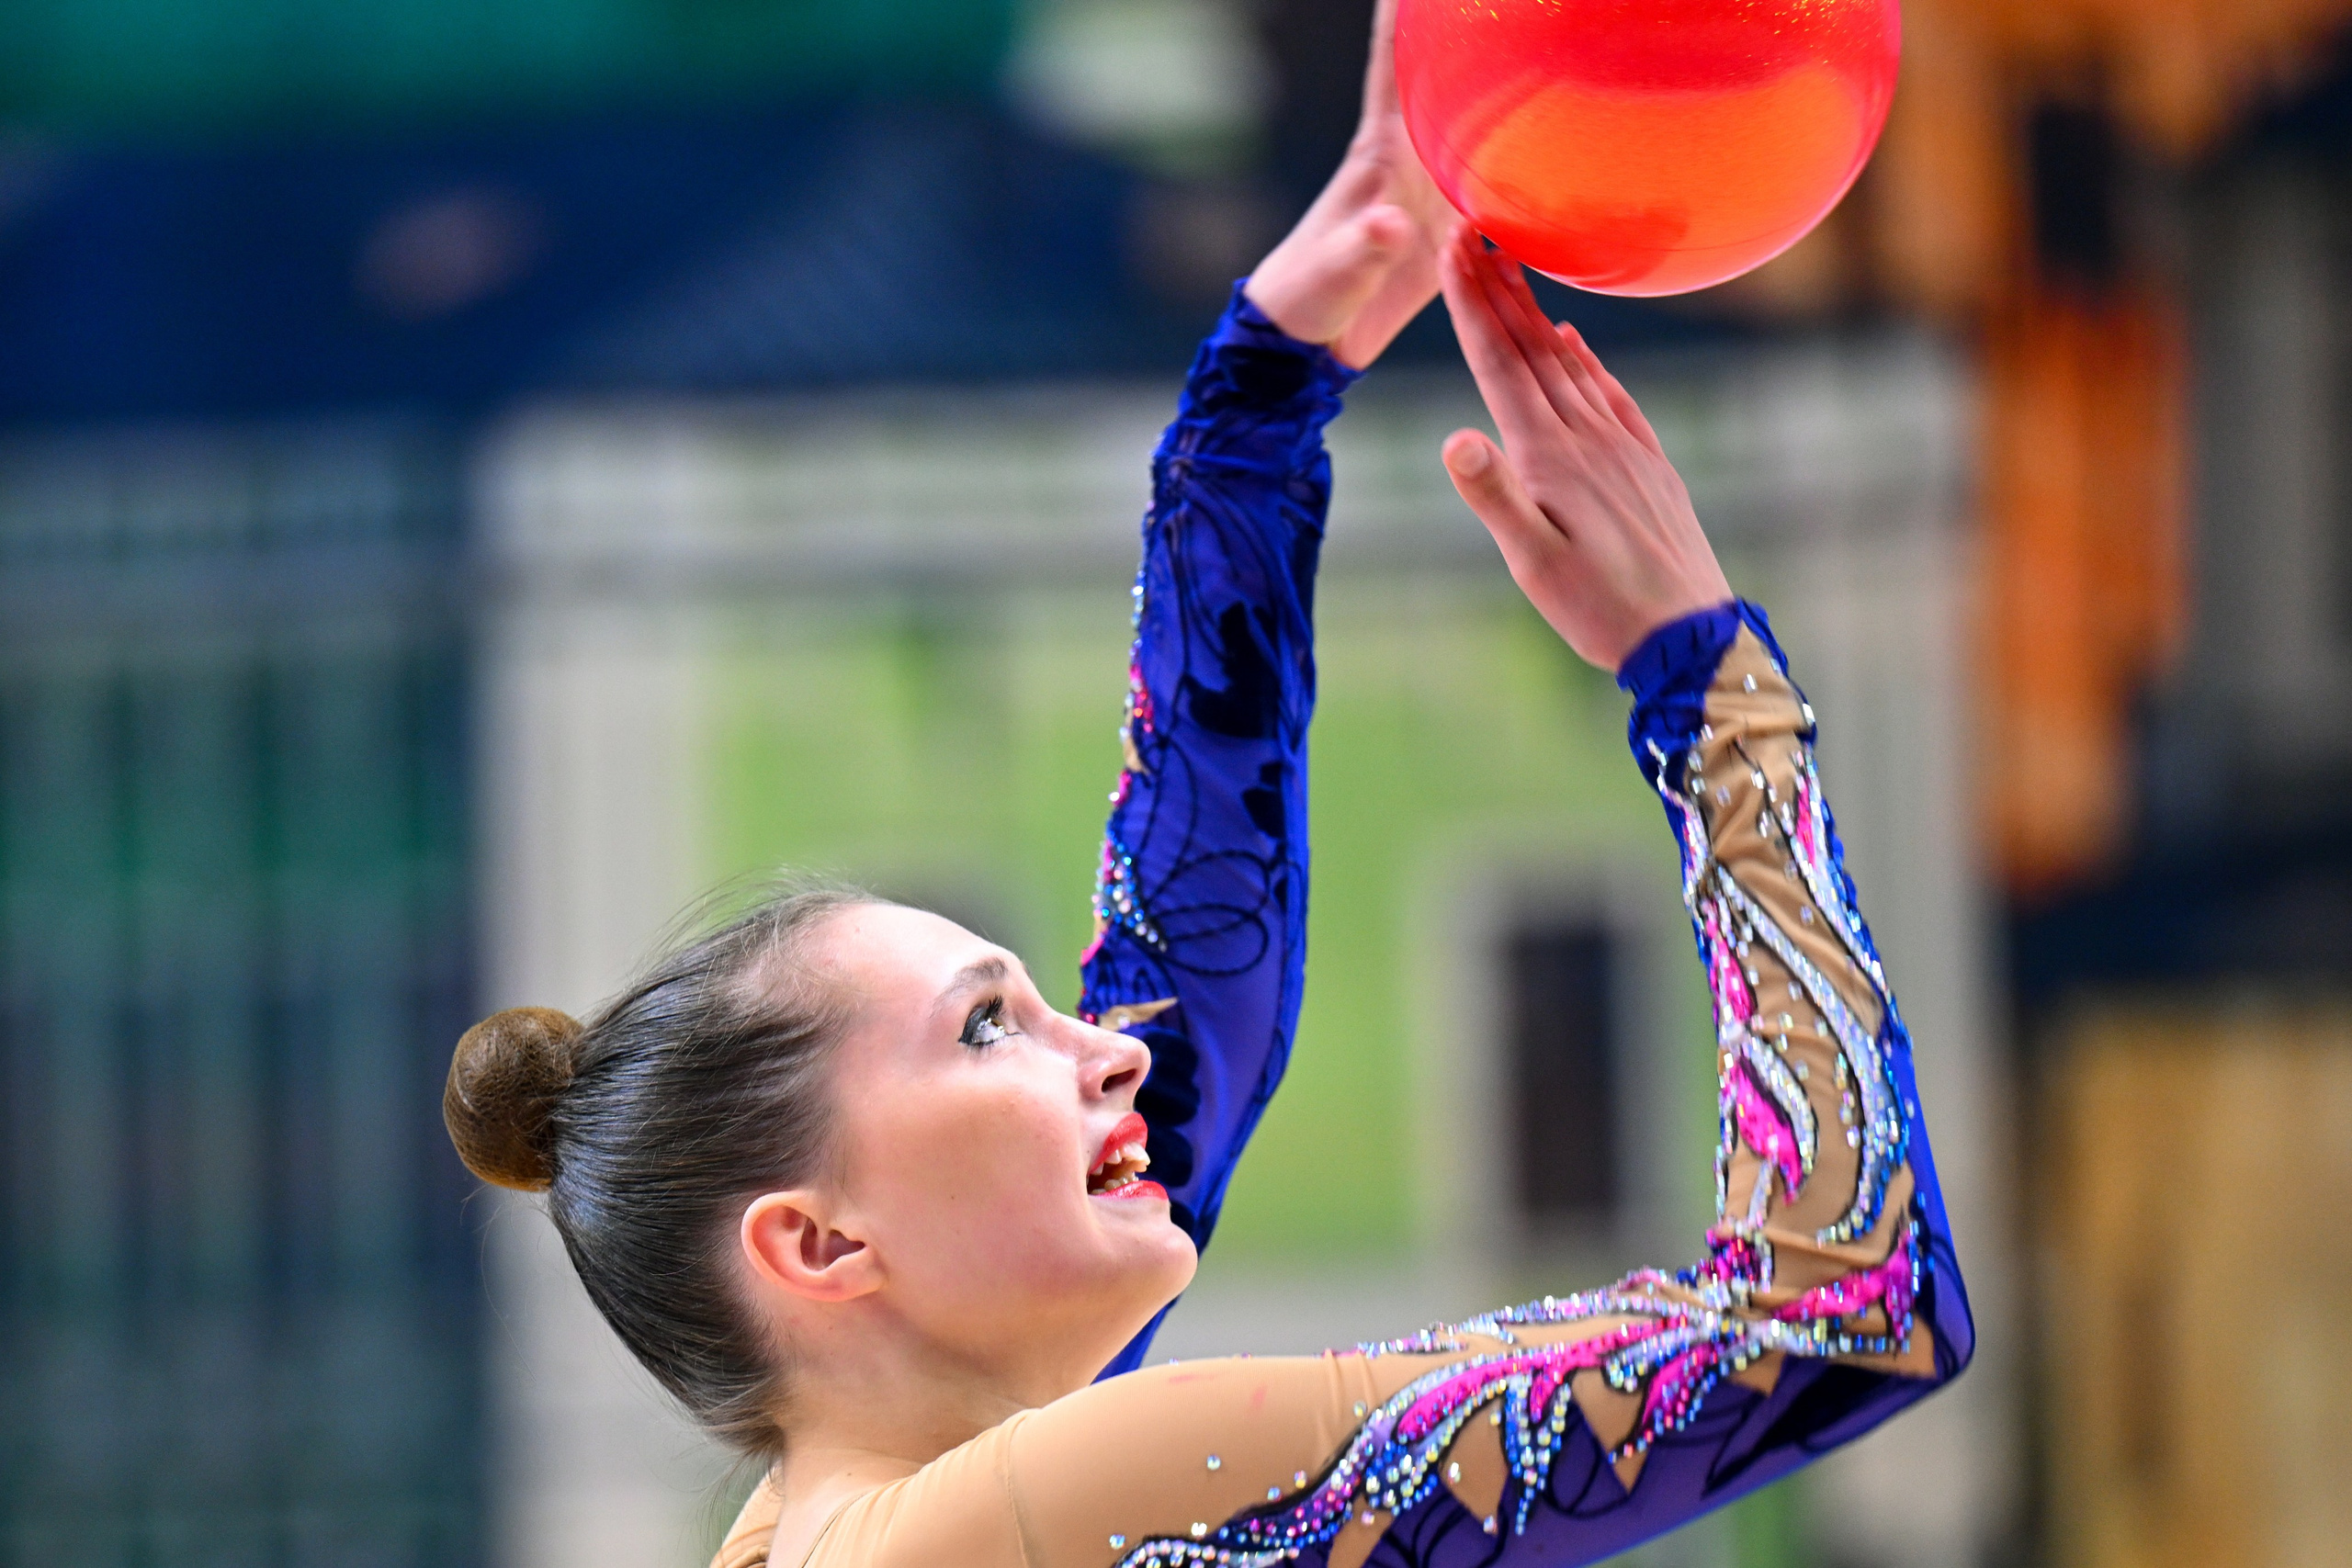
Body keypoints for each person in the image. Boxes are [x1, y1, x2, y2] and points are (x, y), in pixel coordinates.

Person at [440, 5, 1973, 1563]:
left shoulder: (846, 1526)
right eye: (988, 1027)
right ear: (820, 1244)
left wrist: (1260, 406)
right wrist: (1710, 697)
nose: (1098, 1049)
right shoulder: (1005, 1517)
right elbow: (1841, 1318)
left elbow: (1184, 994)